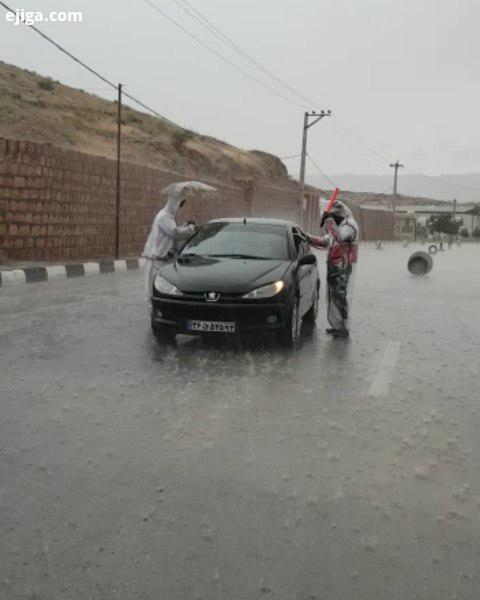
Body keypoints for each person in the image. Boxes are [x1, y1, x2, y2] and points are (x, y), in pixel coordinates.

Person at [307, 200, 358, 338]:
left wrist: (329, 222)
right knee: (333, 297)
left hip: (343, 265)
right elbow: (325, 241)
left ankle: (343, 327)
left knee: (340, 296)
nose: (332, 217)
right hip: (334, 266)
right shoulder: (339, 227)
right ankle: (336, 325)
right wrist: (306, 237)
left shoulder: (349, 225)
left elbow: (339, 237)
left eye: (333, 215)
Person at [142, 188, 196, 300]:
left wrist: (185, 226)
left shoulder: (169, 216)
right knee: (154, 293)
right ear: (174, 202)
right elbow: (175, 232)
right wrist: (190, 229)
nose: (180, 207)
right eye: (180, 204)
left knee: (160, 290)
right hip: (156, 260)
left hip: (162, 260)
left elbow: (174, 229)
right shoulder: (164, 216)